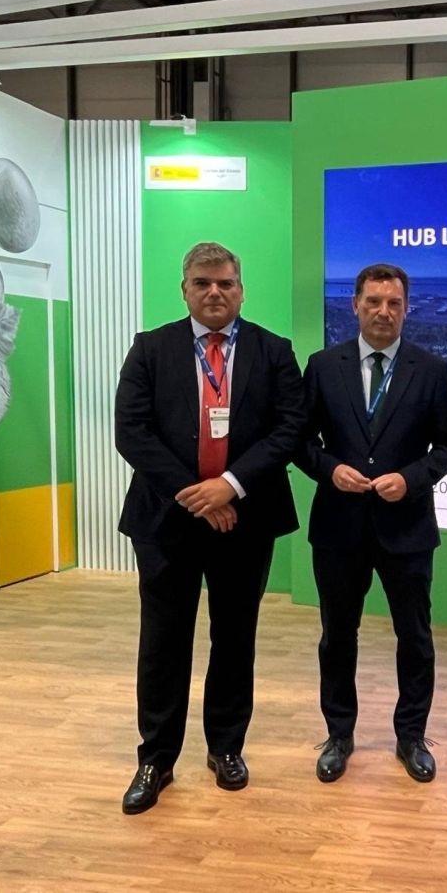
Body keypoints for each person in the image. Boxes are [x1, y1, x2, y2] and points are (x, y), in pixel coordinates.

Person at [115, 241, 305, 814]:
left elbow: (289, 429)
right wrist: (197, 495)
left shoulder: (274, 352)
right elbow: (132, 431)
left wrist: (231, 485)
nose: (214, 292)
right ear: (185, 290)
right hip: (166, 518)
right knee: (163, 640)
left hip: (244, 519)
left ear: (241, 290)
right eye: (202, 283)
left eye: (225, 283)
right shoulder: (150, 349)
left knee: (235, 636)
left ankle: (226, 747)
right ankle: (156, 758)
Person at [296, 263, 447, 784]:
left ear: (406, 309)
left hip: (406, 527)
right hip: (338, 526)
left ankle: (411, 736)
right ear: (355, 305)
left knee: (416, 637)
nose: (383, 311)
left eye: (393, 303)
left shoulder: (430, 369)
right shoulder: (324, 365)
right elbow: (299, 441)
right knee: (337, 636)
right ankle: (338, 734)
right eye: (373, 301)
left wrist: (410, 479)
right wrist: (329, 469)